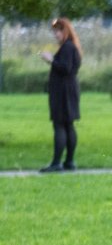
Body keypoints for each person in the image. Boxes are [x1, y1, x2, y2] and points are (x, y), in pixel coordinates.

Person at [39, 18, 82, 172]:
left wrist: (51, 60)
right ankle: (69, 162)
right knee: (68, 125)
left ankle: (57, 163)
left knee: (60, 125)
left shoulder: (68, 47)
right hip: (68, 91)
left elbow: (65, 68)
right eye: (54, 31)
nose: (55, 34)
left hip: (63, 92)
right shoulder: (70, 47)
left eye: (58, 31)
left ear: (65, 31)